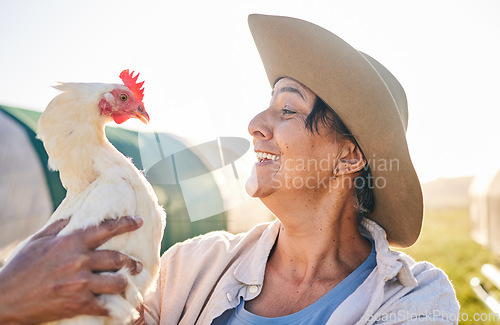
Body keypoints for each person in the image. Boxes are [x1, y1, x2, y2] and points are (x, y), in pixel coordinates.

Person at [0, 14, 459, 324]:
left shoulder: (416, 301)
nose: (256, 125)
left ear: (350, 156)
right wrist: (16, 296)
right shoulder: (190, 264)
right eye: (266, 106)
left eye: (288, 109)